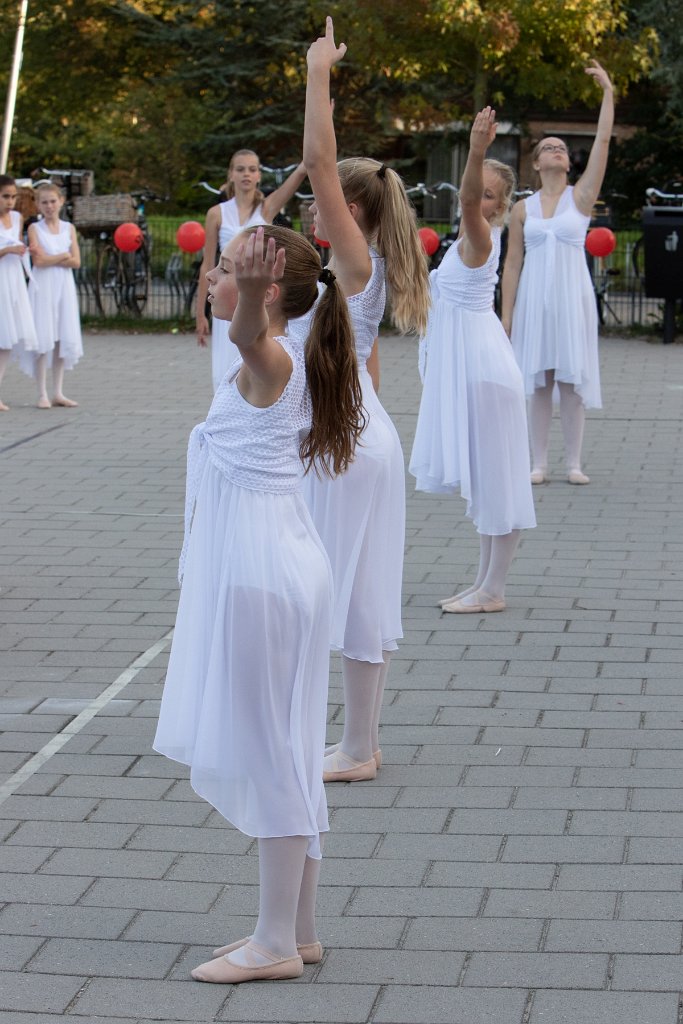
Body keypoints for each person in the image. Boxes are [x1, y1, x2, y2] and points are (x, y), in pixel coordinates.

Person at [154, 224, 364, 984]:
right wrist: (245, 284)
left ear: (263, 288)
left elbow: (244, 332)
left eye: (228, 268)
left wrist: (242, 291)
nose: (210, 276)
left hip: (264, 576)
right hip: (281, 567)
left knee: (277, 753)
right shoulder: (284, 361)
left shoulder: (270, 356)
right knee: (293, 749)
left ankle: (273, 942)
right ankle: (297, 929)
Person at [296, 18, 430, 783]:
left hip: (347, 446)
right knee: (359, 591)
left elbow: (317, 159)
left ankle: (339, 744)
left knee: (324, 589)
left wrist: (319, 72)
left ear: (349, 208)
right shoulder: (360, 272)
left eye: (324, 202)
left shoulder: (352, 260)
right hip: (362, 437)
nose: (313, 212)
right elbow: (367, 367)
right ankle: (358, 746)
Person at [410, 108, 536, 613]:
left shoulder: (482, 238)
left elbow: (463, 198)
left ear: (500, 205)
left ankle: (495, 589)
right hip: (476, 369)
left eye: (488, 195)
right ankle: (485, 582)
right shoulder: (467, 241)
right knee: (487, 481)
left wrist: (478, 149)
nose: (476, 200)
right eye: (476, 191)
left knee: (498, 480)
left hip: (485, 371)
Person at [501, 60, 614, 485]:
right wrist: (507, 315)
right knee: (539, 379)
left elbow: (602, 141)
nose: (557, 150)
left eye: (562, 149)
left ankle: (574, 462)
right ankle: (540, 462)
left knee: (570, 377)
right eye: (549, 147)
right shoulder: (521, 209)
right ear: (536, 163)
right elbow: (512, 263)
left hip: (571, 295)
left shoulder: (580, 199)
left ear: (568, 165)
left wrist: (607, 93)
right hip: (534, 297)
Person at [195, 151, 308, 390]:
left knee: (257, 366)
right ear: (231, 175)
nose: (246, 173)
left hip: (256, 299)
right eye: (240, 169)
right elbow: (208, 264)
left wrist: (313, 152)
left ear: (259, 176)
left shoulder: (266, 209)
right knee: (225, 373)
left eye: (252, 169)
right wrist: (200, 312)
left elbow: (300, 173)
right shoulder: (217, 213)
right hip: (227, 298)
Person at [21, 184, 82, 409]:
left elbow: (76, 261)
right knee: (44, 338)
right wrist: (62, 256)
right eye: (44, 202)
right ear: (38, 205)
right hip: (43, 286)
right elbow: (39, 261)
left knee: (61, 338)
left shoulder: (69, 228)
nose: (49, 206)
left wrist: (53, 257)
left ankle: (58, 391)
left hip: (63, 286)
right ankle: (42, 392)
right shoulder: (35, 229)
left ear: (61, 201)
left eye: (52, 201)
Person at [0, 174, 37, 410]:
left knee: (5, 340)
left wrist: (24, 249)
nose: (10, 201)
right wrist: (8, 250)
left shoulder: (17, 218)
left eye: (13, 196)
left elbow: (18, 244)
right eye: (5, 196)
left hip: (11, 278)